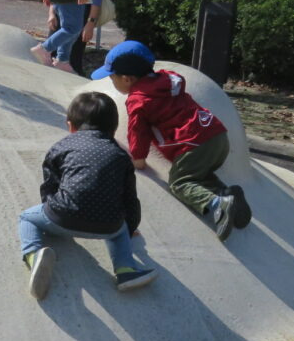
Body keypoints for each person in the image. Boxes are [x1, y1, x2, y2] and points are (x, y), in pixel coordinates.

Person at [91, 41, 252, 242]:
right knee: (197, 175)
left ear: (127, 79)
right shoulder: (168, 79)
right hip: (217, 135)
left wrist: (138, 159)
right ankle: (226, 192)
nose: (110, 81)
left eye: (111, 77)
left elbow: (138, 131)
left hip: (193, 143)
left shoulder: (138, 100)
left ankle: (217, 205)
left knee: (179, 182)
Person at [18, 91, 157, 300]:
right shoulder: (120, 156)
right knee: (120, 231)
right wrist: (130, 227)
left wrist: (54, 222)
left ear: (70, 125)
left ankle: (33, 255)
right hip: (108, 225)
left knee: (26, 218)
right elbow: (130, 199)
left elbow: (49, 186)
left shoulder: (61, 147)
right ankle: (126, 270)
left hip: (62, 215)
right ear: (113, 128)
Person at [67, 0, 106, 76]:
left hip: (82, 14)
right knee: (55, 56)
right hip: (62, 13)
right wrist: (52, 13)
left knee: (73, 59)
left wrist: (90, 23)